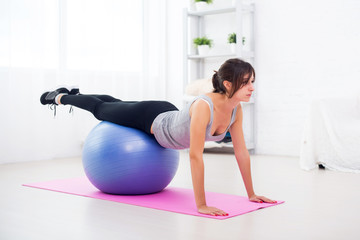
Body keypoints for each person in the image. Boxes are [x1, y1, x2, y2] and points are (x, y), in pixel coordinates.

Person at [40, 58, 275, 216]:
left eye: (252, 81)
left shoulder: (236, 110)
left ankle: (75, 94)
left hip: (168, 113)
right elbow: (194, 156)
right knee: (102, 110)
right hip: (152, 119)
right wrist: (201, 205)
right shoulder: (205, 106)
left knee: (116, 104)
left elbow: (241, 152)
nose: (252, 88)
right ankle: (60, 97)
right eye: (246, 83)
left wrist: (251, 194)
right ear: (227, 84)